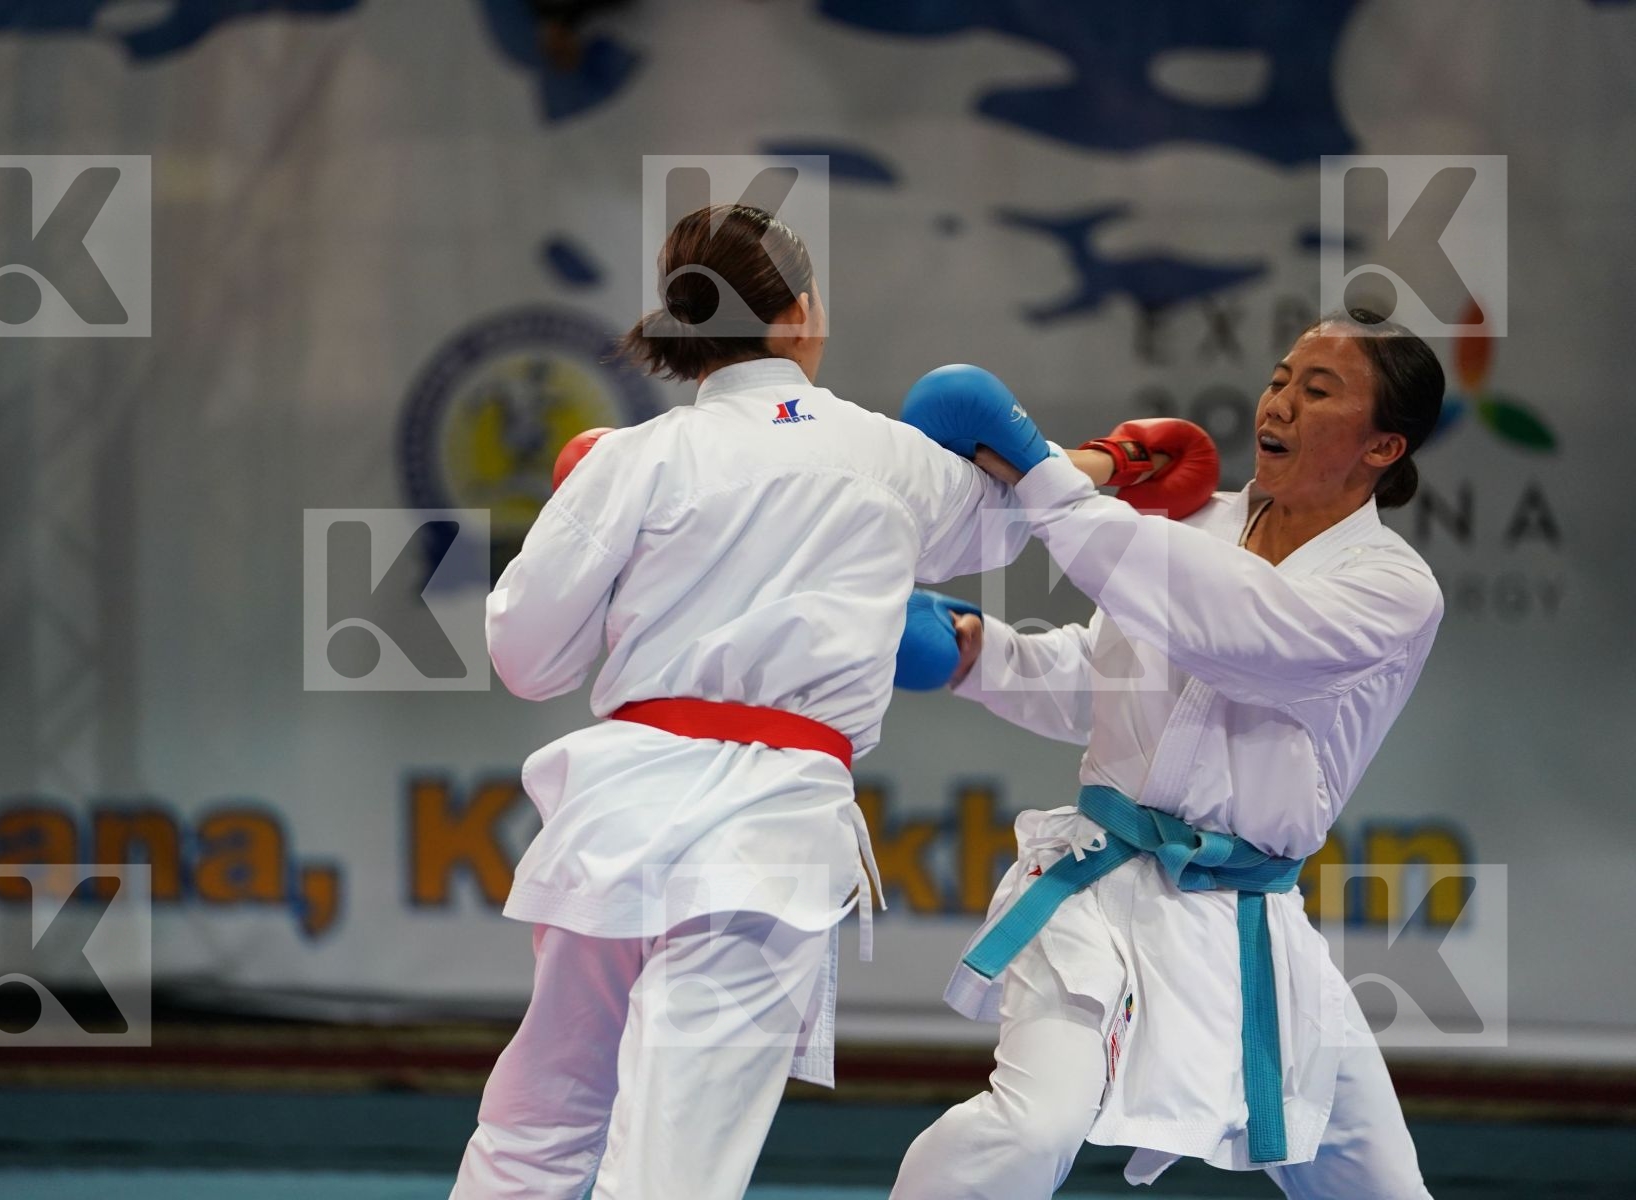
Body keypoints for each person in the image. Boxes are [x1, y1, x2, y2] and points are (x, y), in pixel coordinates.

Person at [450, 203, 1053, 1199]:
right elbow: (1010, 524)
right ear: (803, 313)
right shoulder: (887, 457)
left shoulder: (633, 460)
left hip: (616, 820)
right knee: (674, 1164)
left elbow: (526, 659)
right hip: (761, 845)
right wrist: (1110, 462)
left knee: (541, 1122)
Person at [890, 308, 1446, 1199]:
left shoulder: (1393, 590)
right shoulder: (1193, 528)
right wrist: (979, 653)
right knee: (1036, 1126)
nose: (1281, 402)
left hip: (1253, 923)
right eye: (1279, 379)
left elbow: (1238, 634)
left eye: (1318, 389)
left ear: (1383, 446)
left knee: (1378, 1185)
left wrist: (1049, 475)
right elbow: (1106, 684)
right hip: (1097, 887)